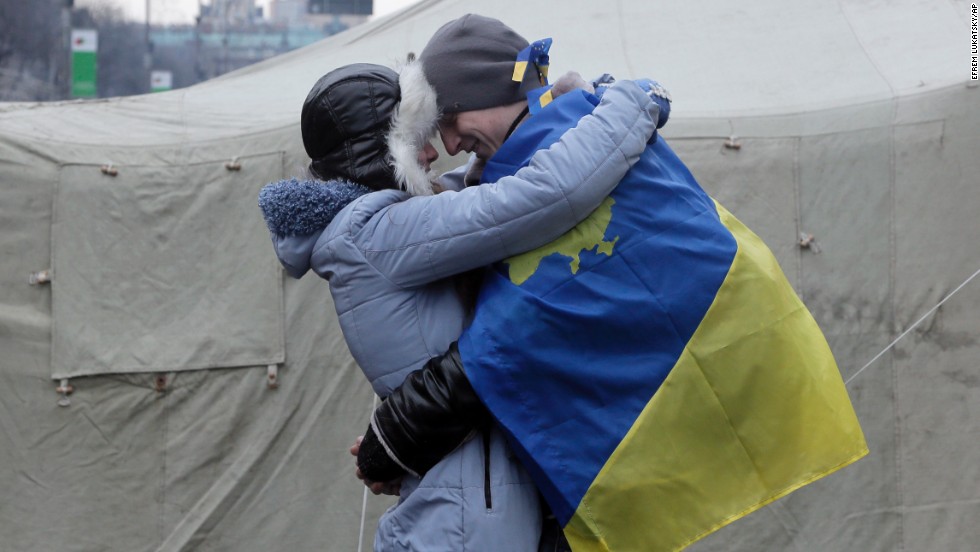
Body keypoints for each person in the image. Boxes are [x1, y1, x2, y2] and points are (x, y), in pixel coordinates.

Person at [355, 14, 867, 552]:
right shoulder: (548, 150)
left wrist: (395, 439)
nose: (452, 142)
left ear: (491, 90)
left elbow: (519, 331)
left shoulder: (562, 156)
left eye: (452, 116)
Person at [258, 61, 666, 551]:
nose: (434, 151)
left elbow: (472, 194)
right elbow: (540, 198)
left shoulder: (373, 228)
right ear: (374, 155)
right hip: (461, 535)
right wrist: (630, 101)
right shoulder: (377, 234)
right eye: (412, 141)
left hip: (463, 528)